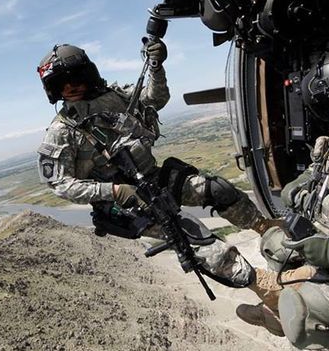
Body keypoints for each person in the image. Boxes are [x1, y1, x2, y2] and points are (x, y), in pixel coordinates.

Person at [36, 41, 280, 289]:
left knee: (218, 190)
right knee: (199, 240)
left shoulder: (115, 96)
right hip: (126, 204)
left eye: (75, 77)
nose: (69, 86)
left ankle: (269, 233)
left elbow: (156, 98)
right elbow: (60, 184)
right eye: (60, 83)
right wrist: (115, 192)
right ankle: (267, 290)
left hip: (152, 178)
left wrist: (155, 66)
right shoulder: (62, 131)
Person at [235, 44, 329, 349]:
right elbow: (315, 175)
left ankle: (300, 317)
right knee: (274, 244)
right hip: (328, 240)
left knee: (301, 320)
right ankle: (281, 303)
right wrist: (296, 189)